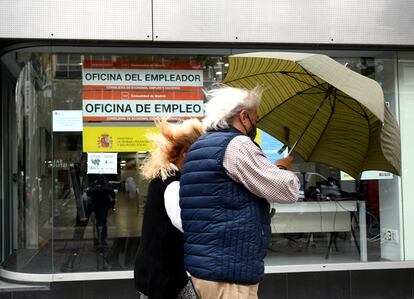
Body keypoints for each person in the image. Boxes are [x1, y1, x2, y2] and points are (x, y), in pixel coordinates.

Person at [180, 85, 301, 299]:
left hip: (206, 269)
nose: (256, 124)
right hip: (229, 273)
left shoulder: (199, 146)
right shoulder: (237, 145)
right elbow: (286, 190)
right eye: (256, 118)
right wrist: (283, 168)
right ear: (244, 116)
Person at [134, 117, 204, 299]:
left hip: (162, 273)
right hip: (163, 277)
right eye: (200, 154)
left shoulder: (165, 177)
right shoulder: (172, 182)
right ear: (186, 152)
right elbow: (184, 222)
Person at [86, 175, 116, 246]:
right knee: (102, 222)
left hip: (99, 206)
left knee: (99, 222)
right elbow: (112, 194)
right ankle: (102, 239)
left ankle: (100, 238)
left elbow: (89, 193)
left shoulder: (96, 185)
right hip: (102, 206)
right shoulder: (105, 186)